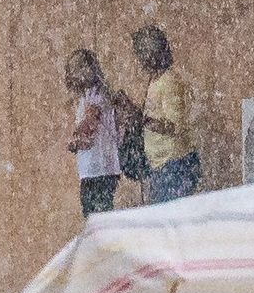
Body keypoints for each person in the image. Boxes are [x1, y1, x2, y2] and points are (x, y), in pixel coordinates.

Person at [131, 25, 198, 204]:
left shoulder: (169, 82)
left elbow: (175, 126)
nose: (139, 61)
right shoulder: (156, 81)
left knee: (170, 217)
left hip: (174, 163)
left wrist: (145, 121)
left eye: (141, 55)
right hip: (160, 164)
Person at [64, 49, 126, 216]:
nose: (72, 76)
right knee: (97, 218)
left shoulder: (97, 96)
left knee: (96, 219)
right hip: (96, 170)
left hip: (98, 170)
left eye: (74, 70)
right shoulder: (90, 95)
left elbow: (89, 125)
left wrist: (74, 139)